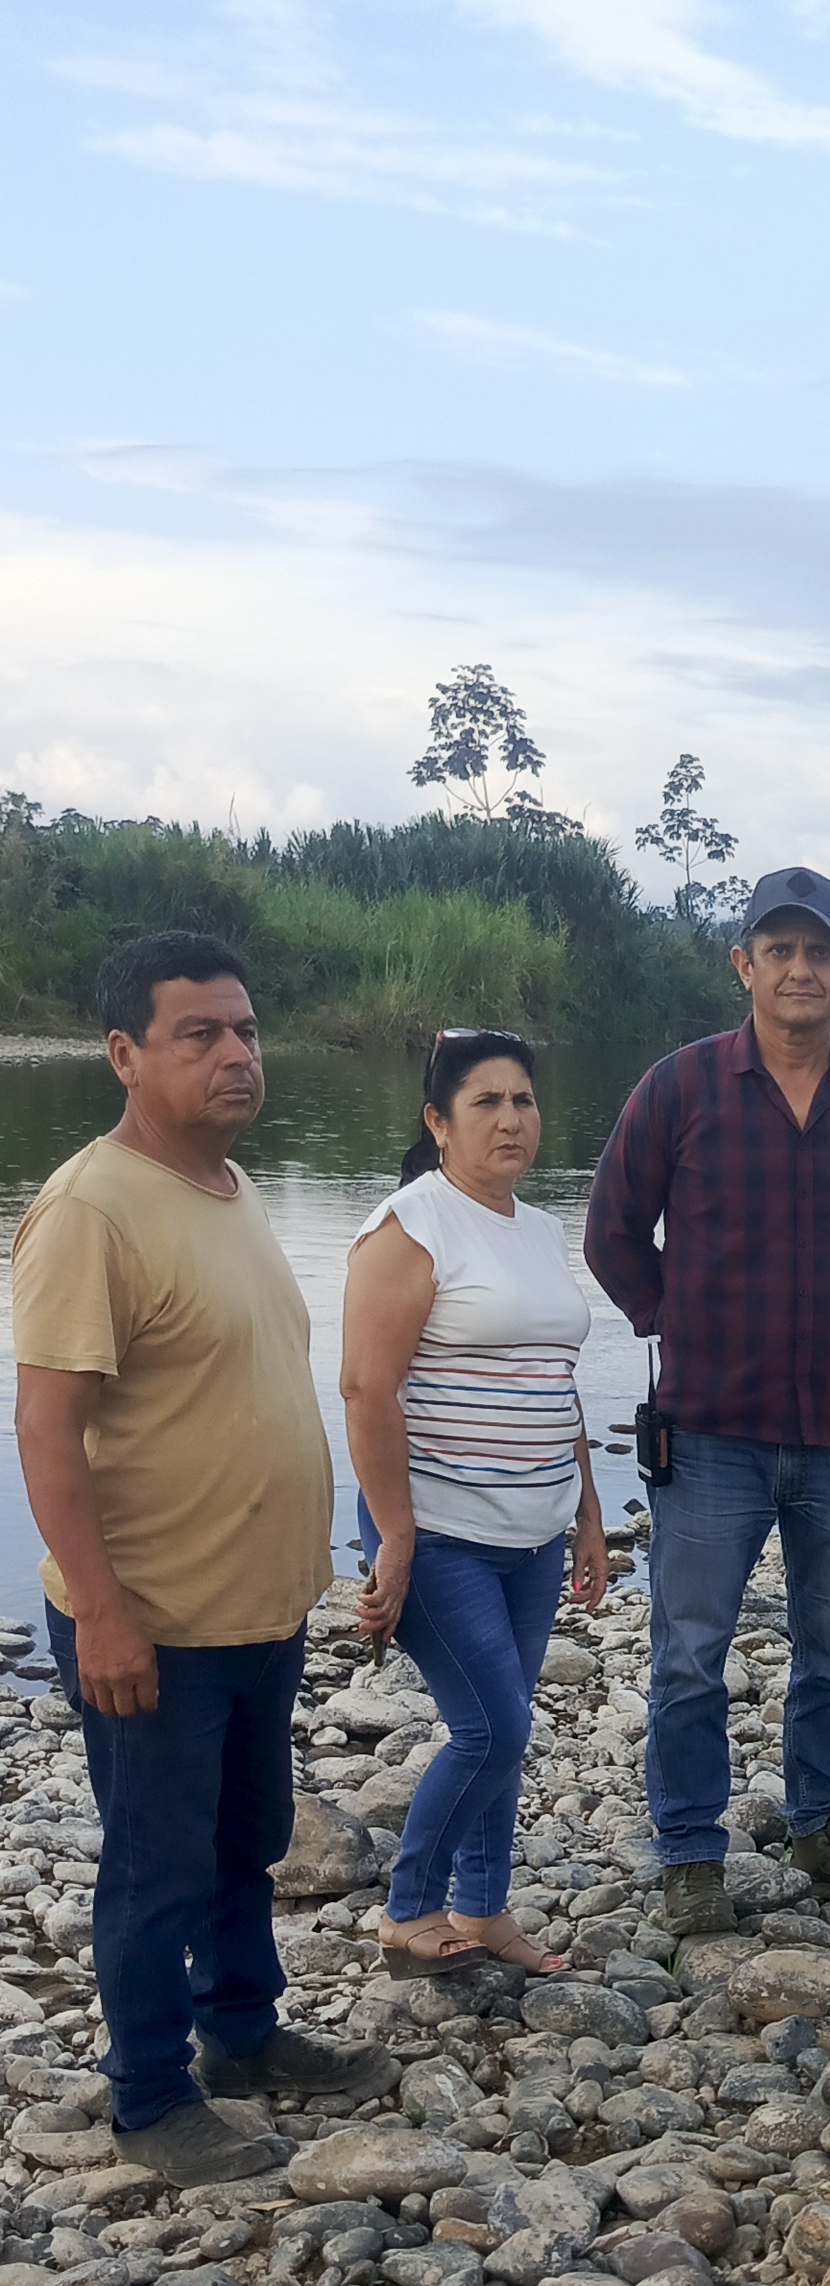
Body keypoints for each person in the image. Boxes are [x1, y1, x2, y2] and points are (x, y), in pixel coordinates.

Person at [11, 931, 396, 2189]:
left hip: (255, 1609)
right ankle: (150, 2095)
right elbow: (46, 1430)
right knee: (157, 1862)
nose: (238, 1054)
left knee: (248, 1836)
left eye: (246, 1031)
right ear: (125, 1055)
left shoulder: (229, 1188)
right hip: (154, 1619)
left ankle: (239, 2028)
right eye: (201, 1035)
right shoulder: (90, 1210)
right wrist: (103, 1613)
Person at [584, 866, 830, 1941]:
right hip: (709, 1437)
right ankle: (690, 1854)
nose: (800, 969)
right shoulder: (681, 1088)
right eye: (779, 950)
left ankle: (821, 1832)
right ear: (743, 965)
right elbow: (612, 1231)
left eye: (819, 951)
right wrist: (676, 1319)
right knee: (689, 1655)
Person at [340, 1029, 607, 1971]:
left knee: (505, 1727)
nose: (510, 1119)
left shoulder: (537, 1228)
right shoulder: (409, 1227)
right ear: (438, 1122)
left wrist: (588, 1514)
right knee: (494, 1727)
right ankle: (408, 1910)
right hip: (440, 1529)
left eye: (522, 1099)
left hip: (533, 1532)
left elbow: (555, 1380)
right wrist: (395, 1536)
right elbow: (366, 1390)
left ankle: (485, 1912)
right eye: (485, 1101)